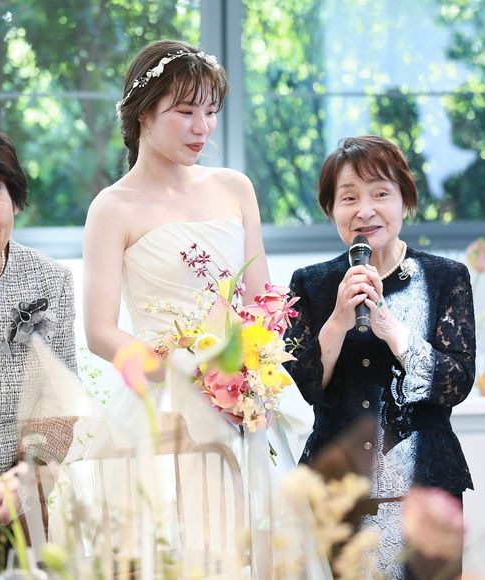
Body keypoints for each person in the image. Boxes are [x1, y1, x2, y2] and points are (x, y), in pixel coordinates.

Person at [82, 39, 313, 576]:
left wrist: (245, 369)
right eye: (185, 112)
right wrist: (189, 373)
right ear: (143, 113)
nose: (202, 128)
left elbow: (263, 302)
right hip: (164, 401)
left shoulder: (234, 188)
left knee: (260, 547)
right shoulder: (112, 207)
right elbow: (99, 331)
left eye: (210, 112)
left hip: (245, 397)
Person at [283, 135, 475, 579]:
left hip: (424, 498)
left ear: (405, 201)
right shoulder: (310, 284)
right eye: (349, 198)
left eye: (381, 194)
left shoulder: (445, 278)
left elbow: (457, 381)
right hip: (336, 498)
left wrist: (396, 333)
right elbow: (301, 388)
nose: (364, 210)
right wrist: (337, 321)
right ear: (332, 209)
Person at [0, 126, 78, 576]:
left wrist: (21, 486)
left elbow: (58, 408)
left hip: (21, 499)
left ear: (15, 203)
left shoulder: (51, 281)